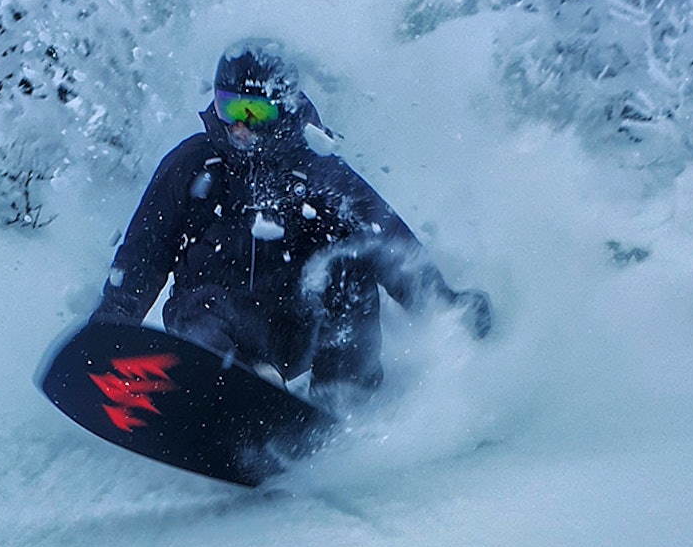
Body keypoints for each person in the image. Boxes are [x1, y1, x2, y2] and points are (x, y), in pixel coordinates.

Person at [89, 38, 492, 404]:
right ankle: (225, 391)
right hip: (214, 325)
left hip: (293, 325)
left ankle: (341, 405)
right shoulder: (192, 166)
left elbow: (382, 240)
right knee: (201, 306)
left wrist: (445, 307)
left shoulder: (317, 171)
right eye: (229, 107)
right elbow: (144, 255)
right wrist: (109, 332)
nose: (240, 126)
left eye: (254, 110)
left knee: (350, 268)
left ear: (281, 107)